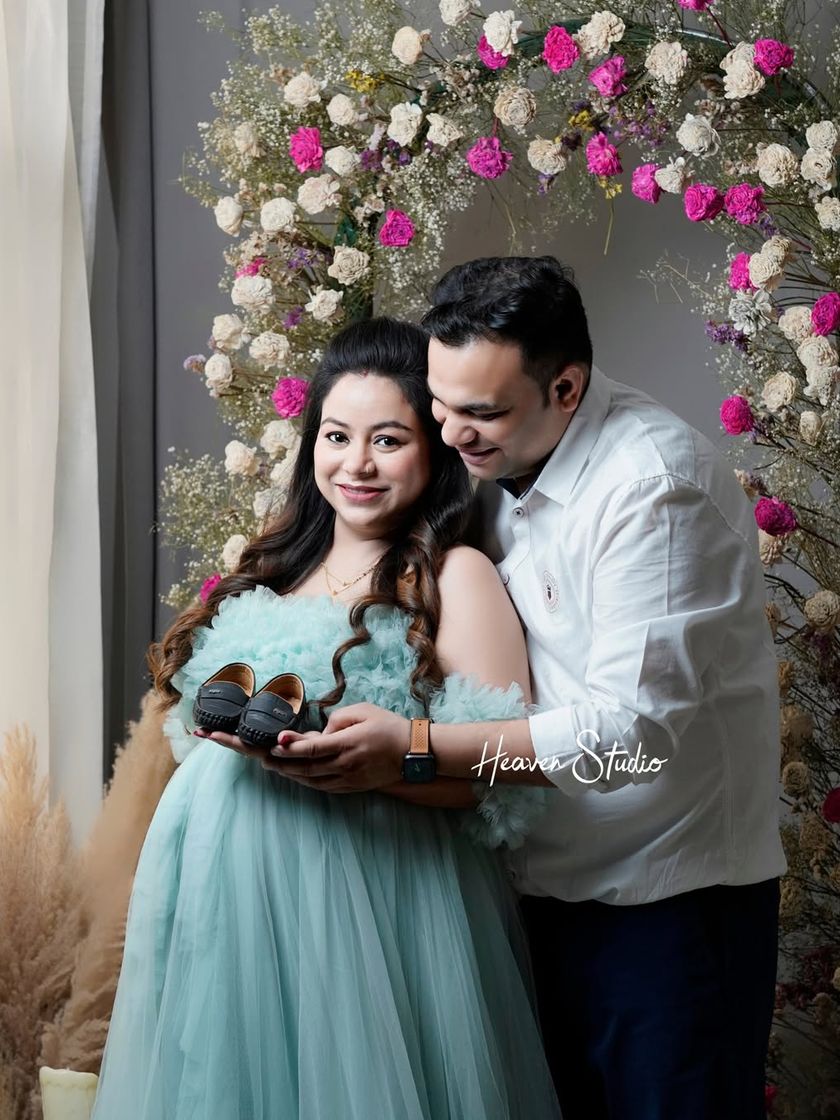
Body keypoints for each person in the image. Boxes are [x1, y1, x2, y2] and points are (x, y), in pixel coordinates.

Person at [278, 257, 787, 1120]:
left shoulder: (652, 489)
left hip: (665, 903)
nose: (451, 433)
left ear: (566, 388)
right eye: (440, 405)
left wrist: (411, 750)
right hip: (532, 892)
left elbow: (627, 737)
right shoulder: (486, 459)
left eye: (480, 412)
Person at [90, 316, 562, 1120]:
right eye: (338, 436)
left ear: (434, 450)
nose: (356, 463)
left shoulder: (457, 576)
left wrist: (380, 770)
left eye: (388, 440)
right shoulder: (275, 566)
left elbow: (503, 776)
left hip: (369, 905)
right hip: (226, 904)